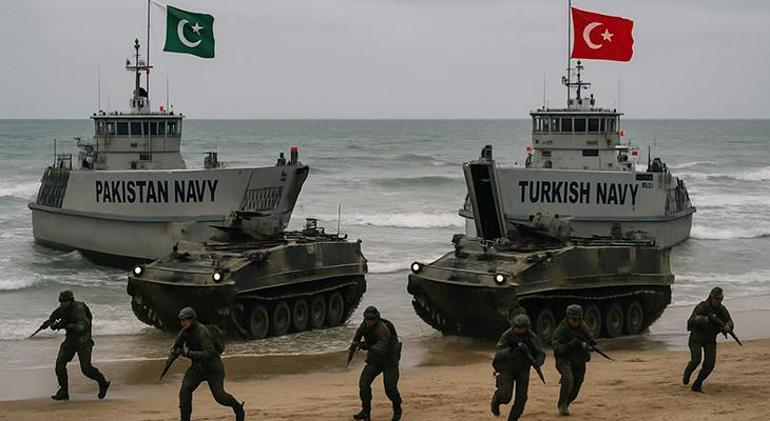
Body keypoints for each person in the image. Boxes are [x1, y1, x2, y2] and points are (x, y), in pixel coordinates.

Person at [172, 307, 245, 421]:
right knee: (185, 390)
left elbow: (208, 353)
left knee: (220, 396)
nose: (182, 323)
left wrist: (189, 353)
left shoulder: (202, 332)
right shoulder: (185, 332)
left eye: (184, 320)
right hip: (197, 368)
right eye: (181, 321)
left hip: (213, 369)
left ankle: (238, 407)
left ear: (192, 320)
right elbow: (176, 347)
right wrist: (175, 351)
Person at [47, 290, 110, 401]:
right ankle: (63, 391)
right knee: (60, 363)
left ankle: (103, 383)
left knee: (86, 369)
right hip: (70, 340)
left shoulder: (79, 309)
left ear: (71, 301)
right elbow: (53, 316)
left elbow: (82, 327)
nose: (62, 304)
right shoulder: (62, 308)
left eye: (64, 302)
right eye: (60, 302)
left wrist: (64, 325)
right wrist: (50, 323)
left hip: (83, 341)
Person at [351, 306, 403, 421]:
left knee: (390, 389)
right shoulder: (364, 326)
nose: (368, 321)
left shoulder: (382, 328)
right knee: (364, 385)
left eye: (371, 319)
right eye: (366, 319)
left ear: (376, 319)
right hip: (375, 361)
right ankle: (366, 412)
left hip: (389, 361)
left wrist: (366, 346)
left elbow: (382, 348)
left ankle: (397, 408)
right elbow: (356, 339)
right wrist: (354, 346)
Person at [491, 314, 545, 421]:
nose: (518, 330)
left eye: (521, 328)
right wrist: (512, 350)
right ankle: (496, 401)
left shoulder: (531, 337)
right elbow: (499, 352)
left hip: (523, 369)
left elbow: (540, 353)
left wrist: (537, 363)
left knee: (521, 399)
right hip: (507, 368)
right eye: (517, 327)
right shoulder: (508, 335)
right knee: (505, 395)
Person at [683, 287, 734, 392]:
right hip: (697, 337)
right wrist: (704, 319)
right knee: (696, 360)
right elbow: (691, 321)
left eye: (719, 299)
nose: (717, 301)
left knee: (710, 364)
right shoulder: (702, 307)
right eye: (715, 298)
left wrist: (728, 326)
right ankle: (688, 372)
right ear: (711, 297)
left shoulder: (722, 310)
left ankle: (697, 384)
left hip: (710, 339)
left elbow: (729, 321)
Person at [551, 304, 597, 416]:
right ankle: (562, 404)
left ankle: (566, 403)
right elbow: (557, 348)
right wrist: (570, 345)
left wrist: (593, 345)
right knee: (568, 378)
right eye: (573, 319)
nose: (576, 322)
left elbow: (591, 339)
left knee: (577, 385)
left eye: (578, 319)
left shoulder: (583, 326)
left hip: (579, 359)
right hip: (564, 359)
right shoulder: (562, 329)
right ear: (568, 318)